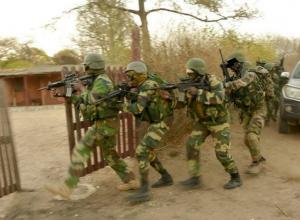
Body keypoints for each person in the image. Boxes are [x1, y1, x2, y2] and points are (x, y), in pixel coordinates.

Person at [45, 53, 138, 199]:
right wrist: (62, 94)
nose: (85, 68)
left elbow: (93, 99)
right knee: (111, 156)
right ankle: (131, 181)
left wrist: (81, 88)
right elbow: (83, 101)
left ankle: (67, 187)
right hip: (106, 124)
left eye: (86, 66)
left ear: (92, 66)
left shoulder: (102, 81)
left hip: (105, 125)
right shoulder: (96, 81)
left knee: (80, 151)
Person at [179, 58, 241, 189]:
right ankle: (195, 178)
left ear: (199, 72)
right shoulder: (190, 83)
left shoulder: (213, 81)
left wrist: (199, 93)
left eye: (191, 72)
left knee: (221, 153)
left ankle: (235, 177)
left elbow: (220, 98)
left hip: (219, 122)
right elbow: (182, 104)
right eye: (187, 72)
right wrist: (175, 96)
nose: (188, 74)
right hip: (203, 122)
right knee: (191, 145)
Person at [124, 61, 174, 203]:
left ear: (138, 75)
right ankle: (166, 177)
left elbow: (138, 109)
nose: (129, 79)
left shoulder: (148, 85)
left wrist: (121, 105)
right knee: (148, 151)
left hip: (164, 121)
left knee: (141, 151)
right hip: (158, 120)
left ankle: (144, 191)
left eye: (130, 75)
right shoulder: (144, 83)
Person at [224, 52, 270, 174]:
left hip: (259, 109)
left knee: (251, 136)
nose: (231, 67)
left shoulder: (250, 74)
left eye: (233, 64)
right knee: (246, 139)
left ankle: (259, 163)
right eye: (230, 66)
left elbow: (240, 83)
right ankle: (258, 159)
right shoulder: (235, 78)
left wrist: (223, 86)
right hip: (247, 111)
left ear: (239, 63)